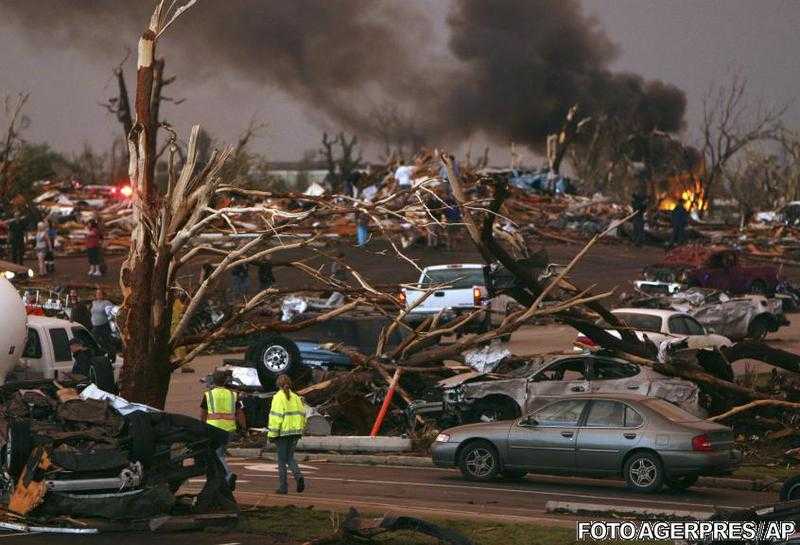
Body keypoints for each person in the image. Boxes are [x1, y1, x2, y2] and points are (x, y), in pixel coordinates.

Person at [201, 371, 245, 489]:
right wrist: (243, 429)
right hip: (229, 429)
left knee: (217, 455)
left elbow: (203, 413)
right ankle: (220, 480)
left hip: (213, 429)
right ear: (226, 381)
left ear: (213, 381)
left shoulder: (208, 395)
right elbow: (240, 413)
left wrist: (202, 427)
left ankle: (227, 476)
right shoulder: (232, 395)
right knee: (220, 454)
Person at [268, 374, 307, 495]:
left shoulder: (278, 397)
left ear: (278, 384)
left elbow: (276, 417)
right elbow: (303, 415)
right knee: (290, 458)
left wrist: (272, 434)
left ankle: (283, 487)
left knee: (281, 461)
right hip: (295, 432)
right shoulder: (296, 397)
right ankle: (298, 476)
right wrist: (301, 430)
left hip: (282, 434)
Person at [91, 288, 115, 359]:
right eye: (97, 293)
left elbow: (113, 311)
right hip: (95, 326)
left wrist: (110, 318)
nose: (98, 295)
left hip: (104, 326)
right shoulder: (94, 303)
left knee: (106, 342)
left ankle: (112, 356)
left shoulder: (106, 302)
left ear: (103, 295)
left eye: (100, 293)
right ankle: (98, 355)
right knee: (93, 340)